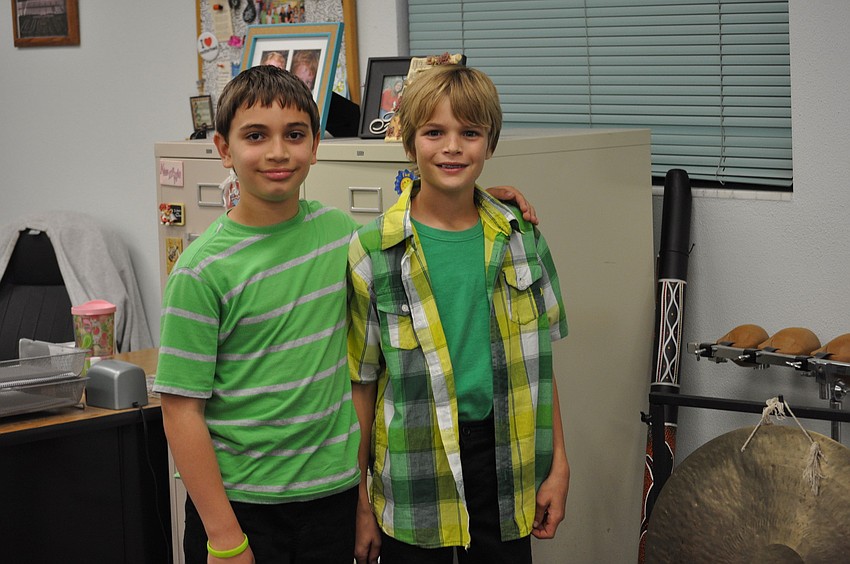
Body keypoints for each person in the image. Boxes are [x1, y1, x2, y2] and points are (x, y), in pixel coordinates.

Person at [153, 64, 540, 563]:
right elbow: (180, 411)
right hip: (244, 507)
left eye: (294, 135)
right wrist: (226, 539)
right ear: (223, 148)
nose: (277, 152)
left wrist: (489, 201)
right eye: (255, 136)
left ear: (315, 147)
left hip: (332, 500)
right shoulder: (200, 270)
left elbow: (422, 229)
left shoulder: (343, 237)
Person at [348, 65, 570, 564]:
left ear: (489, 143)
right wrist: (360, 501)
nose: (452, 147)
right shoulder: (372, 253)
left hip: (508, 461)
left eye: (469, 133)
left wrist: (558, 465)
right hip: (412, 469)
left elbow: (542, 368)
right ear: (410, 142)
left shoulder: (521, 239)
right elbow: (361, 383)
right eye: (434, 132)